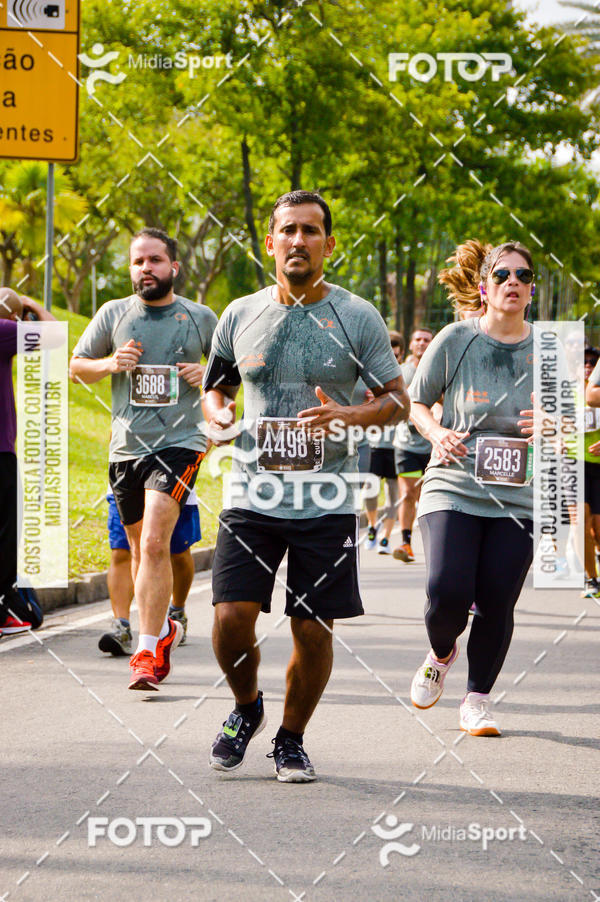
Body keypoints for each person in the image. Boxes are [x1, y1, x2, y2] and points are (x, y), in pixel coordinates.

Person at [202, 190, 409, 781]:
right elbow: (217, 386)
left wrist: (350, 415)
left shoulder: (357, 316)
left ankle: (290, 739)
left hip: (327, 497)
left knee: (312, 624)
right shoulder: (239, 314)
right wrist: (217, 414)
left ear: (329, 244)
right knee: (230, 617)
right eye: (288, 230)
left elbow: (397, 400)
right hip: (252, 492)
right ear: (270, 242)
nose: (298, 240)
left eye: (311, 231)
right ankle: (247, 708)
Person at [70, 228, 217, 690]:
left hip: (180, 444)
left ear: (173, 266)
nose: (146, 268)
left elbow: (237, 375)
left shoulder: (199, 317)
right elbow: (77, 368)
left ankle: (148, 650)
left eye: (155, 260)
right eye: (138, 262)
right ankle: (161, 626)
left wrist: (208, 374)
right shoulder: (114, 314)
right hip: (125, 450)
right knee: (137, 548)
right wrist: (111, 363)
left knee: (155, 542)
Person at [408, 239, 535, 736]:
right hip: (454, 484)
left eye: (523, 276)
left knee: (498, 599)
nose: (513, 284)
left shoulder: (549, 350)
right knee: (445, 593)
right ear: (484, 287)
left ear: (532, 290)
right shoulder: (455, 339)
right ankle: (441, 653)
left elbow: (572, 419)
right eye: (503, 275)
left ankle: (477, 699)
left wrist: (554, 424)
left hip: (518, 495)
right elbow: (417, 402)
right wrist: (437, 432)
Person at [0, 288, 54, 637]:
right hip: (0, 452)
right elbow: (53, 333)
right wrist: (29, 303)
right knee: (6, 534)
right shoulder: (2, 330)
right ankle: (5, 610)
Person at [99, 486, 201, 654]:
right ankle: (121, 626)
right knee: (121, 551)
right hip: (127, 481)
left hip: (172, 483)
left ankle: (177, 611)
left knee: (178, 554)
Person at [392, 327, 434, 562]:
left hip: (431, 444)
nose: (422, 343)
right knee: (407, 493)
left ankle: (434, 543)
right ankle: (406, 544)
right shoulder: (401, 372)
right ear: (411, 344)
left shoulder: (439, 369)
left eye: (426, 340)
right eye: (417, 339)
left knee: (425, 496)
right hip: (406, 444)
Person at [364, 331, 404, 553]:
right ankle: (371, 525)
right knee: (369, 491)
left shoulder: (404, 377)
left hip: (397, 445)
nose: (394, 359)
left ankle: (386, 538)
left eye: (397, 356)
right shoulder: (368, 375)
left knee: (392, 494)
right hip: (373, 444)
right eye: (390, 354)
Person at [583, 346, 600, 595]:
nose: (587, 365)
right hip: (574, 463)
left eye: (592, 362)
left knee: (597, 527)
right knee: (580, 522)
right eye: (584, 362)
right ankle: (591, 579)